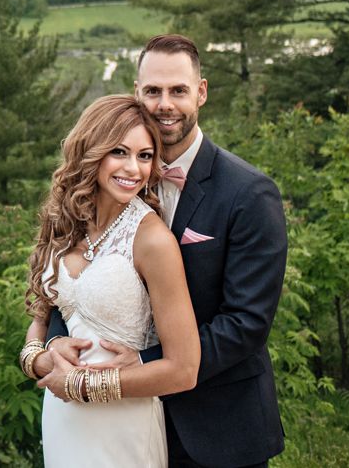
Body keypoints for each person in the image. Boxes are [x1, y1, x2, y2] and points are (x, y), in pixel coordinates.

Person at [32, 42, 287, 468]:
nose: (164, 105)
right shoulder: (107, 191)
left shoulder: (248, 193)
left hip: (216, 424)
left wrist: (147, 366)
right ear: (136, 93)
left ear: (201, 92)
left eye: (178, 91)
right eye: (153, 91)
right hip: (116, 423)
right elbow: (80, 285)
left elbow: (247, 322)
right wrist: (55, 342)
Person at [19, 92, 200, 468]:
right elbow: (40, 319)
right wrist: (39, 360)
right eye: (119, 151)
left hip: (123, 425)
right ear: (92, 151)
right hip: (62, 419)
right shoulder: (65, 223)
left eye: (145, 156)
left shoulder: (152, 241)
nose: (133, 168)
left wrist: (82, 386)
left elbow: (184, 370)